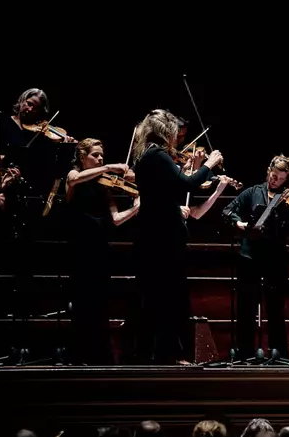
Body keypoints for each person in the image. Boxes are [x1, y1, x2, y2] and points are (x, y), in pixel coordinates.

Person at [131, 109, 223, 364]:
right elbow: (186, 185)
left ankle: (151, 354)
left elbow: (170, 184)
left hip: (151, 231)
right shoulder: (158, 154)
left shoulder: (145, 154)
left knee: (155, 295)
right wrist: (209, 164)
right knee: (167, 295)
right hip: (163, 234)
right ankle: (164, 355)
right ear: (165, 131)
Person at [223, 154, 289, 361]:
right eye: (274, 176)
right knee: (246, 306)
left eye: (281, 179)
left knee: (276, 308)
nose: (276, 181)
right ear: (268, 171)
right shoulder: (252, 193)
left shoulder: (288, 198)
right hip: (250, 256)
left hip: (276, 258)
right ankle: (245, 352)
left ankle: (279, 352)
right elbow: (228, 211)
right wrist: (239, 223)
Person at [65, 138, 140, 364]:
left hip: (99, 249)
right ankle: (79, 354)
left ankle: (99, 355)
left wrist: (137, 207)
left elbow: (116, 219)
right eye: (95, 155)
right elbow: (75, 179)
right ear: (81, 156)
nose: (100, 159)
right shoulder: (72, 175)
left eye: (102, 156)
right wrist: (107, 167)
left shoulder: (103, 186)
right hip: (79, 249)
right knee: (82, 302)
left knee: (99, 303)